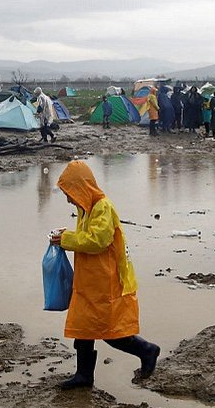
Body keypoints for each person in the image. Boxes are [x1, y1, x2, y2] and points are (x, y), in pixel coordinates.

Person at [49, 161, 160, 389]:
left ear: (82, 188)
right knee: (83, 328)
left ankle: (147, 350)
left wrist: (67, 239)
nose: (69, 199)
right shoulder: (86, 208)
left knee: (110, 331)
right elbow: (88, 236)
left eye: (70, 193)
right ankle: (84, 375)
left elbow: (98, 241)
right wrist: (66, 235)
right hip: (90, 282)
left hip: (105, 282)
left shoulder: (102, 207)